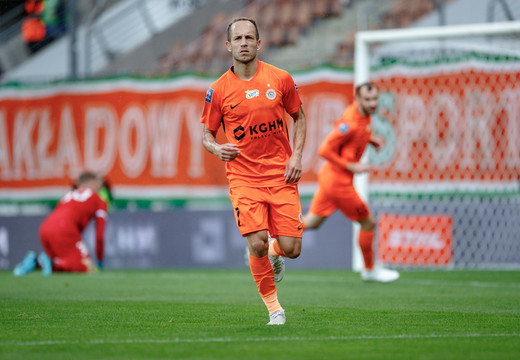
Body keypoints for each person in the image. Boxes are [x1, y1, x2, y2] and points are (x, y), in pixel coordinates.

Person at [200, 17, 306, 325]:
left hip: (281, 174)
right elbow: (206, 134)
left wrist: (296, 156)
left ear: (259, 44)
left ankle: (276, 252)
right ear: (228, 46)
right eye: (239, 38)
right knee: (256, 240)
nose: (244, 43)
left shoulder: (281, 79)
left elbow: (300, 117)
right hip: (244, 178)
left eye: (250, 38)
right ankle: (275, 309)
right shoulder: (218, 90)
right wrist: (217, 148)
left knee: (292, 248)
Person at [303, 82, 399, 283]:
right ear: (357, 99)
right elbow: (324, 150)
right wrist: (352, 166)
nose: (372, 103)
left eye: (375, 99)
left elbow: (357, 134)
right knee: (368, 222)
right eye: (368, 100)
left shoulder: (362, 115)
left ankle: (272, 236)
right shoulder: (350, 122)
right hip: (338, 182)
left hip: (331, 178)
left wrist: (371, 140)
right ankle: (370, 270)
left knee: (312, 222)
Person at [13, 172, 109, 276]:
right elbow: (99, 236)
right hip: (65, 228)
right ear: (92, 182)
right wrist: (100, 261)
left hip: (45, 227)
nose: (101, 186)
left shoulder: (69, 195)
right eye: (99, 183)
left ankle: (34, 262)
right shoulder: (99, 200)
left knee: (61, 260)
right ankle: (42, 263)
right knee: (86, 266)